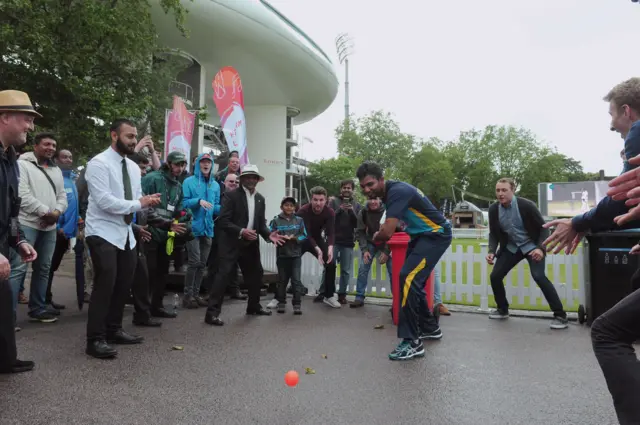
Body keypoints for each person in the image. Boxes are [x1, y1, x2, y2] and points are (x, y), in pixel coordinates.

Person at [560, 77, 640, 425]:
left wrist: (578, 222)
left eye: (612, 115)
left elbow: (618, 198)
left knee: (607, 332)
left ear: (626, 110)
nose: (611, 125)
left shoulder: (638, 131)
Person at [84, 118, 161, 359]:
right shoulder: (98, 163)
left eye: (135, 136)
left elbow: (137, 198)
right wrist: (140, 203)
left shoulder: (132, 167)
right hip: (101, 231)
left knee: (123, 284)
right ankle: (94, 339)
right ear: (114, 136)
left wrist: (143, 211)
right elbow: (104, 201)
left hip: (126, 233)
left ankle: (114, 329)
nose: (134, 141)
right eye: (129, 136)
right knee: (105, 285)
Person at [356, 161, 448, 361]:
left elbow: (388, 230)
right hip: (420, 236)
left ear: (382, 179)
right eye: (363, 186)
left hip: (436, 234)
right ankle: (430, 328)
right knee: (412, 281)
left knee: (406, 278)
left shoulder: (397, 191)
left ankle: (411, 341)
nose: (366, 190)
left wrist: (375, 237)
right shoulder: (390, 194)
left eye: (370, 184)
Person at [204, 164, 284, 326]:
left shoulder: (260, 198)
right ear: (242, 179)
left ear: (257, 180)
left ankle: (253, 306)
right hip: (231, 242)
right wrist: (241, 231)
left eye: (254, 177)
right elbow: (223, 221)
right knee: (223, 276)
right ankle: (211, 314)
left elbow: (260, 225)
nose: (251, 180)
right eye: (247, 177)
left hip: (250, 244)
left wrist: (269, 235)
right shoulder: (231, 195)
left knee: (256, 274)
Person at [486, 177, 568, 329]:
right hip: (511, 248)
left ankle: (560, 315)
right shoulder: (493, 210)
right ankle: (502, 309)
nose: (500, 193)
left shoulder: (527, 206)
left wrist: (540, 248)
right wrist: (491, 250)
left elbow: (544, 228)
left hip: (532, 247)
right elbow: (493, 234)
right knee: (495, 276)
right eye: (498, 190)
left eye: (504, 190)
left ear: (513, 190)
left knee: (539, 276)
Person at [0, 90, 39, 373]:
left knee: (4, 307)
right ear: (4, 117)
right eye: (26, 119)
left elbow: (12, 209)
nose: (30, 126)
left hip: (3, 247)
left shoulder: (12, 158)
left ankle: (5, 360)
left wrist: (19, 240)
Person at [10, 132, 67, 323]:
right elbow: (22, 195)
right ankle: (7, 317)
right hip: (27, 224)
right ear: (35, 146)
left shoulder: (56, 170)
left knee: (43, 268)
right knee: (18, 268)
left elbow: (62, 197)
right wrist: (46, 212)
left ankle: (38, 308)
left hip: (49, 227)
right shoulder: (22, 165)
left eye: (53, 145)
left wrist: (56, 214)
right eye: (46, 144)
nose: (51, 148)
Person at [142, 151, 191, 318]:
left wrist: (185, 214)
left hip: (167, 234)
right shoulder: (152, 178)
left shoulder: (178, 185)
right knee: (148, 272)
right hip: (149, 233)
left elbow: (178, 208)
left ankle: (157, 307)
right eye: (177, 164)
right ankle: (143, 311)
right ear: (168, 163)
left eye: (182, 165)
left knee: (163, 272)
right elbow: (142, 205)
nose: (179, 168)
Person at [181, 153, 220, 308]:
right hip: (192, 228)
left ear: (212, 165)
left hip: (208, 228)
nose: (206, 164)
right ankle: (187, 296)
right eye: (203, 162)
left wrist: (225, 209)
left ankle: (196, 295)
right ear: (197, 164)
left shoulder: (215, 185)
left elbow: (216, 206)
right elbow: (183, 203)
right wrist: (198, 201)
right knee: (194, 262)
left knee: (202, 264)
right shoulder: (188, 181)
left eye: (208, 162)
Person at [202, 173, 247, 301]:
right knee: (214, 263)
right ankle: (210, 291)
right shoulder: (218, 194)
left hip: (234, 233)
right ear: (224, 183)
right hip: (217, 231)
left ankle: (235, 290)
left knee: (234, 264)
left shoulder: (242, 197)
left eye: (236, 182)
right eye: (230, 181)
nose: (233, 183)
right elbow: (211, 209)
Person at [47, 149, 80, 312]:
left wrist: (77, 221)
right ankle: (42, 301)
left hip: (67, 234)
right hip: (55, 231)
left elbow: (74, 206)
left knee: (52, 267)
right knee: (47, 267)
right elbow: (50, 204)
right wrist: (58, 227)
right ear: (56, 159)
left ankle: (47, 298)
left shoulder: (71, 179)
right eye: (64, 157)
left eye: (70, 157)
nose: (68, 159)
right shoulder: (54, 178)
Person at [295, 187, 340, 308]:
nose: (318, 203)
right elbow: (306, 233)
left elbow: (331, 232)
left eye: (321, 200)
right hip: (301, 239)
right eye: (315, 200)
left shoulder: (329, 212)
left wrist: (330, 247)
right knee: (289, 262)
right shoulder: (303, 211)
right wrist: (317, 249)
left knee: (331, 263)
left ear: (326, 200)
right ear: (311, 199)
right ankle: (279, 297)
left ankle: (329, 295)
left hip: (317, 239)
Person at [350, 197, 392, 308]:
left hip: (387, 243)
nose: (373, 202)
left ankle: (397, 301)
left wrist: (387, 252)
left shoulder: (388, 212)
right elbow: (361, 232)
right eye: (370, 199)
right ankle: (359, 297)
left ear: (380, 200)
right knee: (363, 267)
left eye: (375, 199)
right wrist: (364, 250)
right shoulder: (363, 212)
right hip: (371, 242)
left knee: (393, 270)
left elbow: (392, 232)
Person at [269, 196, 307, 314]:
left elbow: (304, 235)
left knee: (296, 281)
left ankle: (297, 304)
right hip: (282, 256)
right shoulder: (276, 220)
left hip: (296, 256)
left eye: (291, 205)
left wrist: (294, 238)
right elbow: (270, 234)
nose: (289, 207)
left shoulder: (299, 220)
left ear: (295, 207)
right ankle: (281, 303)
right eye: (286, 205)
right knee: (282, 280)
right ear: (281, 207)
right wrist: (279, 237)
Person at [327, 180, 361, 304]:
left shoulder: (357, 205)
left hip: (348, 241)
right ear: (341, 189)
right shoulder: (333, 202)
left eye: (349, 188)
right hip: (334, 240)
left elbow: (358, 223)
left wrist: (351, 211)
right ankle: (325, 292)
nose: (347, 189)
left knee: (345, 270)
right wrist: (340, 210)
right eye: (344, 187)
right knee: (329, 267)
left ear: (352, 190)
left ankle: (342, 294)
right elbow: (329, 219)